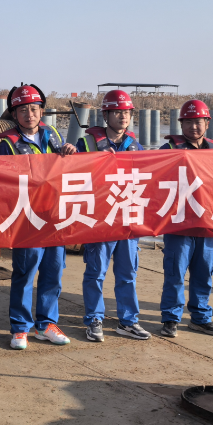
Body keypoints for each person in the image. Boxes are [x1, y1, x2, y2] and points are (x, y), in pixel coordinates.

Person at [0, 83, 77, 350]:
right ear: (14, 114)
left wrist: (70, 153)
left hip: (54, 217)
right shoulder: (7, 144)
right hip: (27, 219)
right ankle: (20, 327)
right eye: (23, 110)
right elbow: (1, 183)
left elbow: (67, 170)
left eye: (34, 109)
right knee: (25, 273)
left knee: (53, 272)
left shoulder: (53, 135)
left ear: (41, 111)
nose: (29, 114)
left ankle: (47, 324)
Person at [75, 89, 150, 342]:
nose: (123, 116)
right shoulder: (86, 144)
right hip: (100, 219)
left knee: (127, 273)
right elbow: (72, 176)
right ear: (105, 115)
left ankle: (128, 321)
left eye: (126, 112)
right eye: (117, 112)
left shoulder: (136, 147)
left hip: (127, 219)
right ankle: (94, 319)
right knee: (96, 272)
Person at [158, 99, 213, 338]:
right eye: (189, 122)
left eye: (199, 122)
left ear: (207, 123)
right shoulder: (168, 150)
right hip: (179, 223)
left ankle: (201, 318)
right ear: (181, 124)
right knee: (175, 273)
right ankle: (171, 318)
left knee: (204, 272)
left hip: (207, 224)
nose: (194, 127)